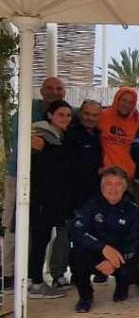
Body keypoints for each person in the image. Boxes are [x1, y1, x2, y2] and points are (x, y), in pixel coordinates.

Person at [3, 76, 65, 287]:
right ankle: (9, 274)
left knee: (39, 231)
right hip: (19, 175)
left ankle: (32, 274)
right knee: (14, 225)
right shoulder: (27, 113)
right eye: (50, 88)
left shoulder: (62, 118)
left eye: (59, 88)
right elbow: (16, 141)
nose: (54, 92)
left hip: (43, 184)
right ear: (41, 91)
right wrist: (28, 141)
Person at [68, 167, 139, 312]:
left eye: (118, 184)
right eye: (109, 184)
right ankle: (85, 296)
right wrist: (102, 248)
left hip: (121, 255)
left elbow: (136, 241)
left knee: (132, 264)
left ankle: (122, 286)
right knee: (76, 254)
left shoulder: (134, 209)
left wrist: (114, 261)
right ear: (102, 187)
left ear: (124, 187)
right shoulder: (91, 204)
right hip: (97, 251)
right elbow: (77, 231)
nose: (113, 189)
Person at [27, 100, 75, 299]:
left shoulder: (59, 137)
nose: (65, 119)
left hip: (53, 198)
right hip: (41, 197)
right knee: (39, 239)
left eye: (68, 115)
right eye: (60, 115)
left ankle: (36, 280)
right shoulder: (39, 135)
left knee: (45, 238)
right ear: (49, 116)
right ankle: (35, 284)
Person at [63, 99, 104, 285]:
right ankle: (77, 274)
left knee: (97, 232)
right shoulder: (70, 134)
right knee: (77, 236)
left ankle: (97, 269)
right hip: (75, 194)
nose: (90, 118)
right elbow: (70, 165)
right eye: (87, 114)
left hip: (96, 194)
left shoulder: (97, 134)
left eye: (95, 115)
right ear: (80, 113)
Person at [99, 86, 139, 180]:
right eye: (124, 100)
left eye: (130, 102)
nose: (126, 105)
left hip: (127, 176)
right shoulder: (102, 116)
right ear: (117, 100)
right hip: (104, 174)